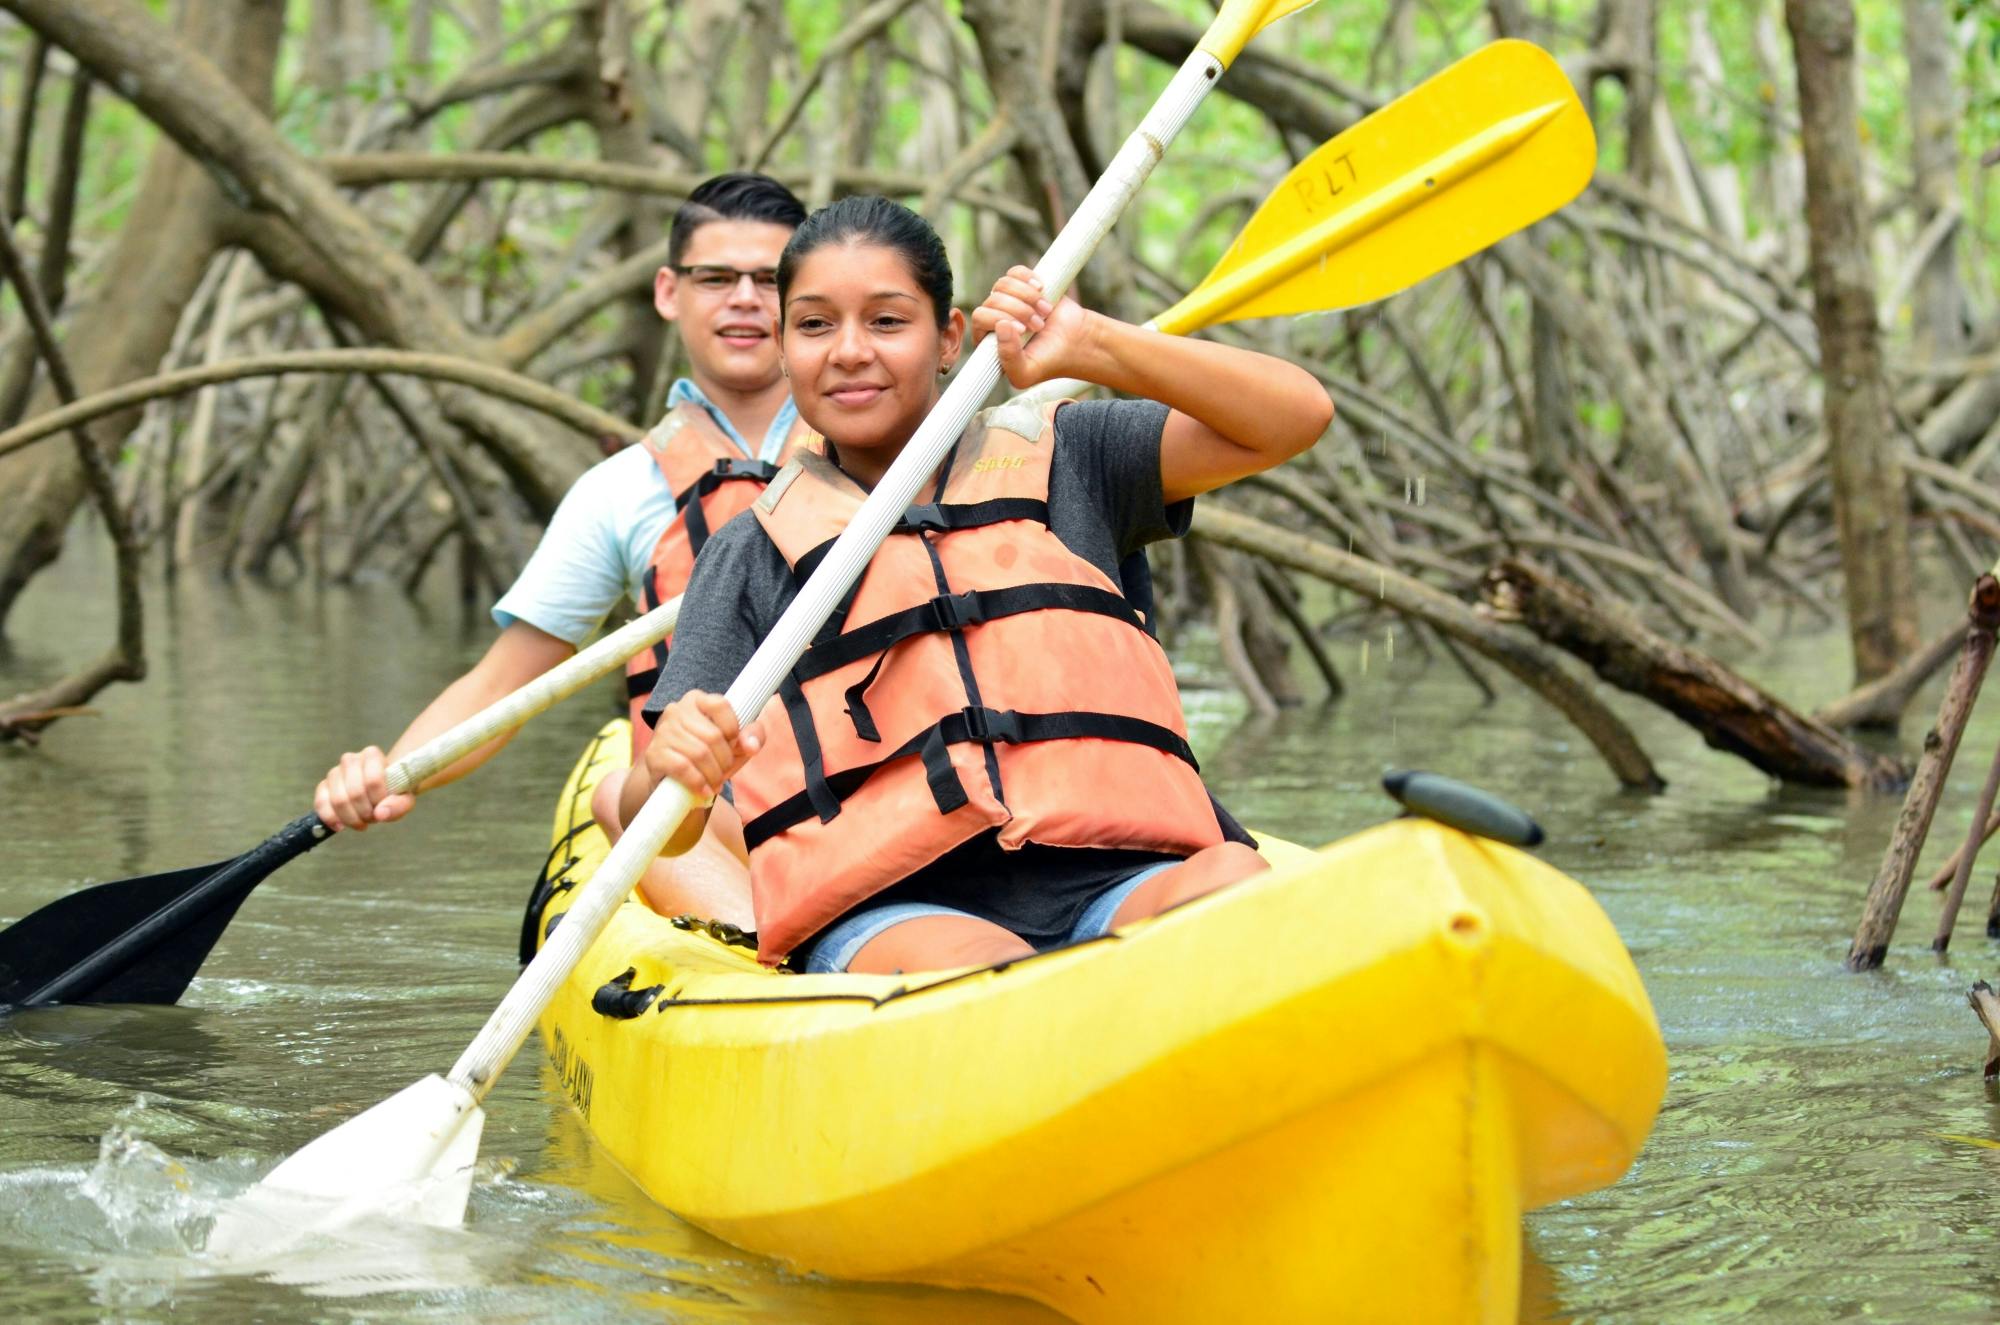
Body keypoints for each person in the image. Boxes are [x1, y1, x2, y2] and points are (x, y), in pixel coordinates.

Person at [626, 196, 1334, 974]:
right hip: (900, 910)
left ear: (950, 338)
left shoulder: (1076, 457)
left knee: (1234, 877)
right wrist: (672, 771)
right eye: (816, 325)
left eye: (888, 322)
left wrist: (1089, 344)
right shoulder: (750, 552)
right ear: (786, 348)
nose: (850, 351)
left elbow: (1294, 415)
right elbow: (655, 826)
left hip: (1119, 877)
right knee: (989, 971)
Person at [312, 173, 812, 930]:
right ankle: (765, 941)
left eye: (769, 280)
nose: (744, 298)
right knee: (621, 792)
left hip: (865, 776)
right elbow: (504, 685)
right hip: (710, 807)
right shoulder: (620, 491)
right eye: (716, 278)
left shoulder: (892, 451)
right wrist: (394, 773)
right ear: (668, 293)